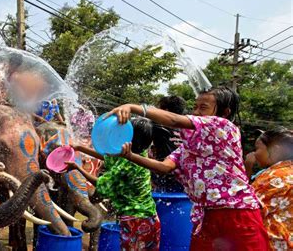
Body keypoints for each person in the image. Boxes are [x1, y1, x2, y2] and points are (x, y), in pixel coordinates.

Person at [107, 86, 269, 250]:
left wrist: (133, 107)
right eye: (195, 107)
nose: (196, 112)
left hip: (237, 213)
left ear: (225, 112)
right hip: (206, 217)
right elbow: (164, 167)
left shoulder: (224, 126)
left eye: (203, 108)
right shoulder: (187, 148)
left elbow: (175, 120)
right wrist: (130, 156)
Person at [66, 117, 160, 251]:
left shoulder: (129, 164)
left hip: (136, 220)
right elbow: (107, 156)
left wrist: (77, 168)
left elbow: (102, 185)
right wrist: (80, 148)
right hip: (147, 217)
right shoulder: (138, 153)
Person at [251, 128, 292, 250]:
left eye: (257, 148)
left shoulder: (273, 177)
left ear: (275, 150)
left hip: (273, 244)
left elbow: (248, 210)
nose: (254, 154)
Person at [150, 96, 185, 192]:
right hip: (185, 176)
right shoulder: (187, 129)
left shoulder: (157, 128)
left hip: (164, 175)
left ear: (165, 111)